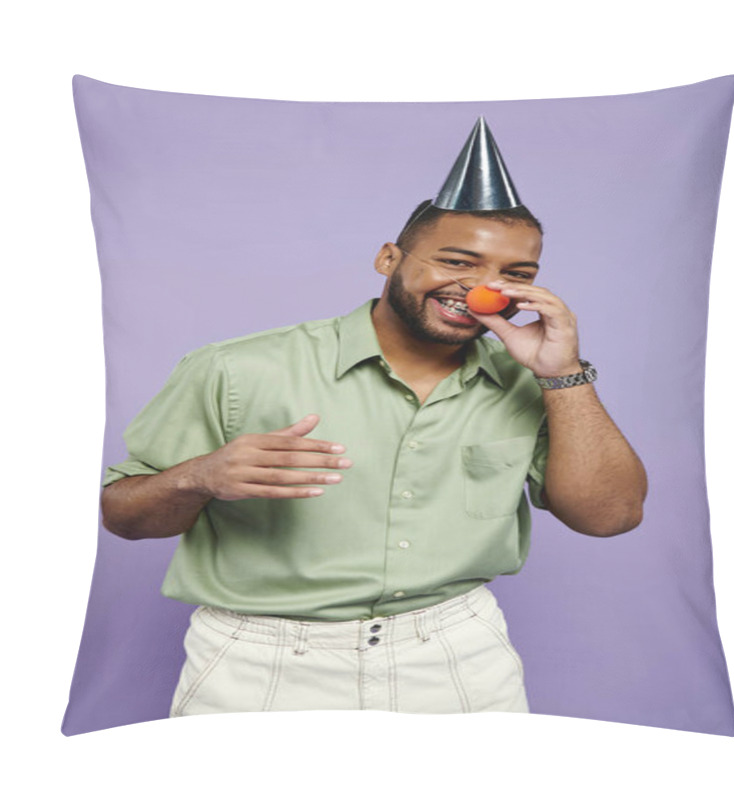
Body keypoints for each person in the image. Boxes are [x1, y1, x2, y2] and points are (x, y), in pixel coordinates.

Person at [101, 118, 647, 716]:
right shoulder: (235, 369)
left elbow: (610, 517)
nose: (485, 289)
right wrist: (199, 477)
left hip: (458, 655)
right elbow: (123, 516)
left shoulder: (534, 382)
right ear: (390, 258)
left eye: (514, 276)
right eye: (458, 262)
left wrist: (560, 373)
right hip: (260, 665)